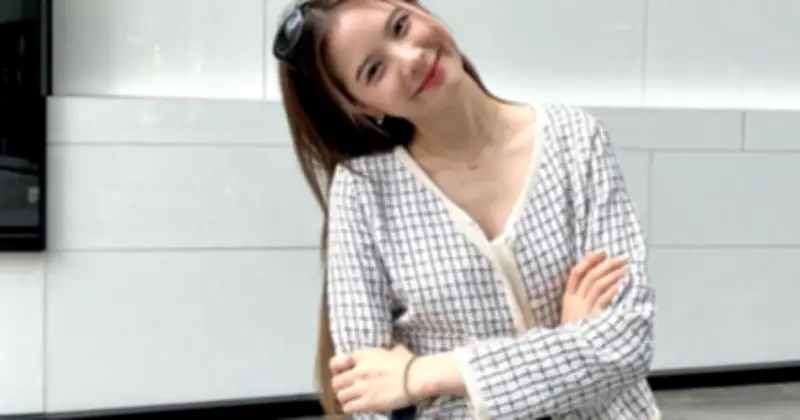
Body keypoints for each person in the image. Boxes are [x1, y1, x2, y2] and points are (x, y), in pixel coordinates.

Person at [272, 0, 660, 418]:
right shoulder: (364, 190)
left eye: (400, 26)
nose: (411, 59)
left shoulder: (575, 140)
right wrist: (571, 344)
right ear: (364, 106)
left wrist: (424, 375)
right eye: (374, 70)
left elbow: (626, 339)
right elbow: (367, 390)